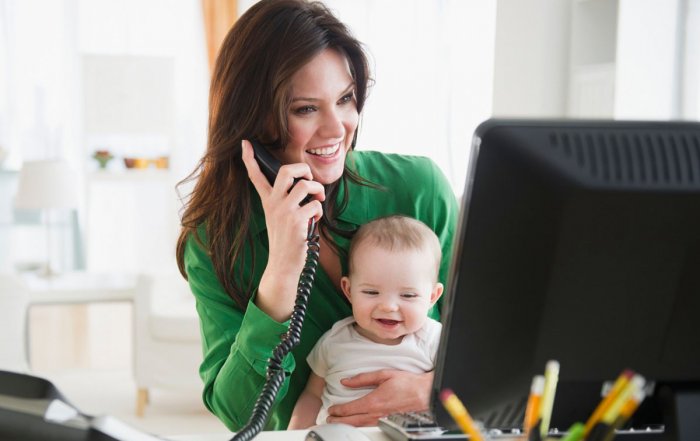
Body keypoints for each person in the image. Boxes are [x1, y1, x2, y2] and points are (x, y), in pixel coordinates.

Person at [176, 0, 459, 431]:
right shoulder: (215, 241)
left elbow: (498, 343)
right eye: (305, 108)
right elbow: (239, 415)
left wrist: (434, 390)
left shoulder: (419, 189)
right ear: (252, 120)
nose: (336, 128)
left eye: (345, 99)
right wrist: (280, 273)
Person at [288, 215, 445, 429]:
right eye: (371, 292)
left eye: (408, 295)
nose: (388, 306)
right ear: (349, 290)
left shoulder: (434, 339)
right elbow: (312, 396)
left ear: (432, 297)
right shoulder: (334, 340)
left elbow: (465, 385)